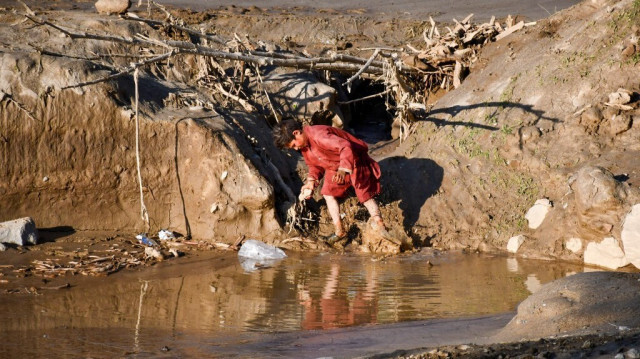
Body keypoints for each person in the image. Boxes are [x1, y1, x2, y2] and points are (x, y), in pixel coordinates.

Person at [273, 119, 386, 243]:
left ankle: (381, 227)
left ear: (296, 133)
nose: (295, 149)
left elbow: (345, 146)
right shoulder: (305, 146)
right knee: (328, 193)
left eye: (294, 145)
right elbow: (314, 165)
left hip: (354, 160)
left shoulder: (318, 135)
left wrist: (343, 169)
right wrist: (311, 182)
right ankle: (339, 231)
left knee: (364, 195)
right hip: (335, 166)